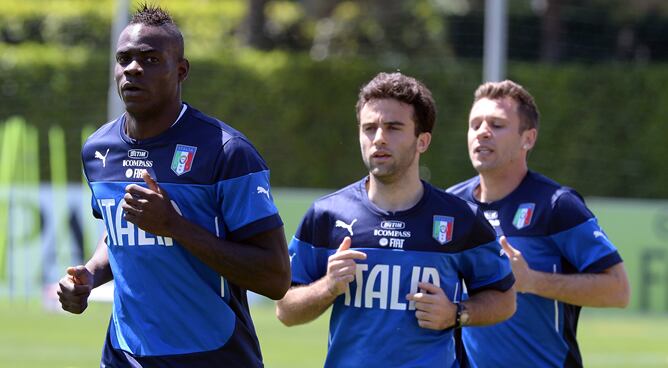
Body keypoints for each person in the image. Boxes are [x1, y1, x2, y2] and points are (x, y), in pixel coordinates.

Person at [56, 5, 290, 367]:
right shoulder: (98, 149)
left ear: (180, 70)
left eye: (150, 59)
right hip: (124, 355)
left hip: (213, 356)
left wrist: (175, 226)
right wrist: (91, 274)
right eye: (124, 59)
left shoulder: (227, 152)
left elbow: (275, 278)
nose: (133, 68)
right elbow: (119, 234)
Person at [275, 72, 516, 367]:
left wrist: (456, 314)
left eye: (393, 128)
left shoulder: (462, 219)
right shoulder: (327, 215)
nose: (378, 139)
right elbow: (286, 310)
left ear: (422, 141)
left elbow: (505, 300)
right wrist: (328, 286)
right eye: (369, 128)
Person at [447, 80, 630, 367]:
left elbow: (618, 290)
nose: (482, 132)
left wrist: (532, 281)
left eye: (496, 124)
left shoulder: (557, 205)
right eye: (475, 124)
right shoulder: (451, 206)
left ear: (528, 139)